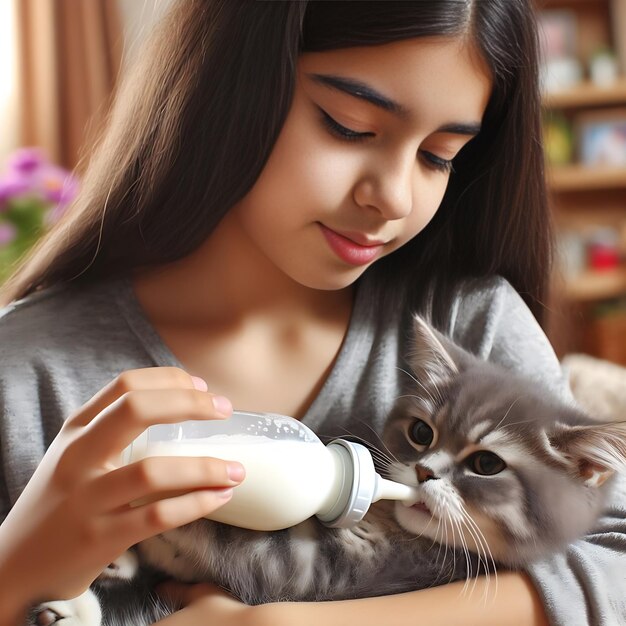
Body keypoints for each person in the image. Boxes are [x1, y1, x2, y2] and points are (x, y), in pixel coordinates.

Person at [0, 1, 624, 625]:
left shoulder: (463, 320)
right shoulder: (28, 375)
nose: (393, 196)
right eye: (348, 126)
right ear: (226, 85)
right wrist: (15, 571)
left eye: (439, 156)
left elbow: (613, 560)